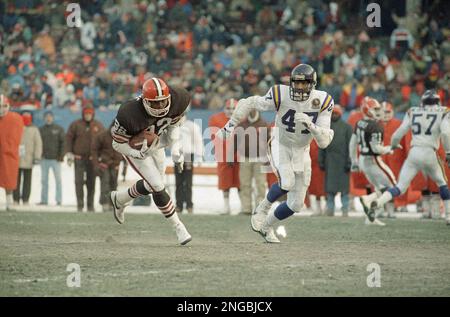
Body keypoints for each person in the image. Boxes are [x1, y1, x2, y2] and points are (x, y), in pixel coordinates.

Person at [218, 64, 334, 243]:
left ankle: (267, 226)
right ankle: (262, 209)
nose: (300, 87)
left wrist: (311, 125)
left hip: (302, 150)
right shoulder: (281, 94)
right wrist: (230, 125)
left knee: (296, 204)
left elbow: (324, 142)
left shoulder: (323, 100)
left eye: (305, 84)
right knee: (286, 182)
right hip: (281, 142)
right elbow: (247, 102)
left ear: (313, 84)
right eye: (297, 83)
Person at [109, 77, 192, 245]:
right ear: (145, 101)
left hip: (156, 144)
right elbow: (116, 143)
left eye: (163, 102)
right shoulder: (129, 113)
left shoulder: (179, 98)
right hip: (136, 149)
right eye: (155, 104)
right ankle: (178, 226)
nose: (161, 107)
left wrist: (176, 148)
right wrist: (135, 153)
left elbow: (173, 126)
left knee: (153, 184)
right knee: (158, 186)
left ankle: (120, 199)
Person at [362, 90, 450, 226]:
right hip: (430, 151)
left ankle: (377, 204)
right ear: (437, 102)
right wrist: (448, 152)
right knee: (442, 183)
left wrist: (393, 145)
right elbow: (445, 133)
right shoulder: (443, 112)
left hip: (414, 152)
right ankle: (449, 216)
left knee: (400, 186)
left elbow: (399, 133)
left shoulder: (412, 111)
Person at [350, 97, 396, 225]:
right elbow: (376, 148)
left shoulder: (359, 123)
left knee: (380, 188)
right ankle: (368, 199)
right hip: (373, 159)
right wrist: (389, 149)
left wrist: (354, 160)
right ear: (367, 109)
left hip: (363, 160)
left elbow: (352, 144)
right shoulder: (376, 126)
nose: (379, 111)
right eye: (376, 109)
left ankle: (370, 218)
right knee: (394, 186)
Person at [66, 106, 105, 212]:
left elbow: (103, 141)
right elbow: (69, 139)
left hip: (93, 159)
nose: (88, 115)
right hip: (79, 158)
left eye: (90, 113)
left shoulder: (98, 125)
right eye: (86, 113)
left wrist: (101, 155)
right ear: (83, 114)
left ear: (93, 114)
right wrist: (69, 153)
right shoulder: (76, 124)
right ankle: (80, 204)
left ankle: (90, 205)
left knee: (91, 182)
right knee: (78, 182)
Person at [318, 105, 353, 216]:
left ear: (340, 114)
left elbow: (351, 146)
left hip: (343, 162)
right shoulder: (326, 128)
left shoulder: (347, 127)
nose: (334, 115)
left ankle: (345, 210)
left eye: (336, 113)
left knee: (344, 191)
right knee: (330, 190)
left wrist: (349, 162)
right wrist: (321, 161)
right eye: (332, 113)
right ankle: (330, 210)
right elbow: (322, 145)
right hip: (330, 162)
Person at [208, 99, 241, 215]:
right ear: (224, 109)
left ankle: (244, 206)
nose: (231, 111)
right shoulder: (216, 119)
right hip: (224, 156)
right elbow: (215, 139)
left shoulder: (243, 119)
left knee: (240, 182)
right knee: (225, 183)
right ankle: (226, 206)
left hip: (239, 156)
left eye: (233, 109)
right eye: (228, 108)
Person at [235, 109, 269, 215]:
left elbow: (269, 142)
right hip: (245, 158)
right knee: (245, 184)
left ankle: (260, 208)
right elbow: (235, 141)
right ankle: (246, 208)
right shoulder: (241, 125)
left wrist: (269, 158)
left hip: (260, 159)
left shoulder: (264, 124)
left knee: (261, 185)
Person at [175, 116, 204, 214]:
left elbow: (198, 141)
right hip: (177, 154)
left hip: (188, 155)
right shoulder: (173, 125)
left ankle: (189, 205)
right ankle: (179, 205)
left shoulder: (191, 126)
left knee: (187, 182)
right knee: (178, 182)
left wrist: (199, 155)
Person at [91, 124, 123, 212]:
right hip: (104, 165)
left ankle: (112, 204)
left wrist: (122, 165)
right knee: (104, 184)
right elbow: (94, 150)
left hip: (115, 165)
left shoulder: (122, 137)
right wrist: (96, 164)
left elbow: (124, 151)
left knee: (114, 185)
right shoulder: (102, 136)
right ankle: (104, 203)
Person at [0, 94, 24, 211]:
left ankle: (9, 202)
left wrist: (11, 148)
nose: (2, 109)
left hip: (8, 153)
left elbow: (18, 137)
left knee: (9, 178)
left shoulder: (15, 119)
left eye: (4, 106)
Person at [13, 112, 42, 205]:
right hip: (17, 158)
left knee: (27, 181)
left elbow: (38, 144)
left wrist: (37, 156)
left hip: (29, 159)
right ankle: (15, 198)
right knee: (16, 180)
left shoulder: (34, 130)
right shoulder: (16, 128)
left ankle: (25, 198)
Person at [39, 111, 65, 206]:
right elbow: (38, 144)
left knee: (58, 180)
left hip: (55, 159)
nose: (48, 118)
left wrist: (61, 156)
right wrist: (39, 155)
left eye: (50, 116)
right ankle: (44, 200)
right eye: (46, 117)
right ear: (44, 118)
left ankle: (59, 200)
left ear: (53, 118)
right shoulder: (41, 130)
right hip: (44, 159)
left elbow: (63, 143)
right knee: (44, 181)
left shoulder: (59, 129)